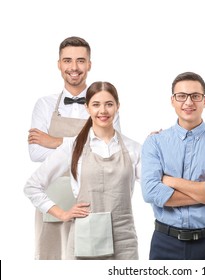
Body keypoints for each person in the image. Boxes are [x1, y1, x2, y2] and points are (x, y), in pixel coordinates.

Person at [27, 36, 121, 260]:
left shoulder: (105, 104)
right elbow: (35, 153)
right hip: (54, 198)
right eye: (67, 60)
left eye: (80, 60)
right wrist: (85, 142)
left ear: (89, 64)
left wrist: (55, 141)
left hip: (93, 198)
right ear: (59, 64)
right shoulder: (44, 104)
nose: (74, 67)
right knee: (50, 259)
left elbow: (110, 150)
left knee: (91, 261)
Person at [24, 81, 140, 260]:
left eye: (109, 104)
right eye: (96, 104)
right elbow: (32, 186)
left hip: (124, 239)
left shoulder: (134, 149)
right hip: (86, 237)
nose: (103, 111)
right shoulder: (72, 146)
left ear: (118, 106)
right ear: (87, 108)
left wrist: (158, 147)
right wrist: (62, 213)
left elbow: (154, 184)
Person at [141, 71, 205, 260]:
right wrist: (204, 191)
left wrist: (170, 181)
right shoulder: (155, 142)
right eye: (182, 96)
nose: (188, 102)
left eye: (195, 96)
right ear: (172, 100)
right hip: (164, 244)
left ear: (204, 101)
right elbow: (151, 192)